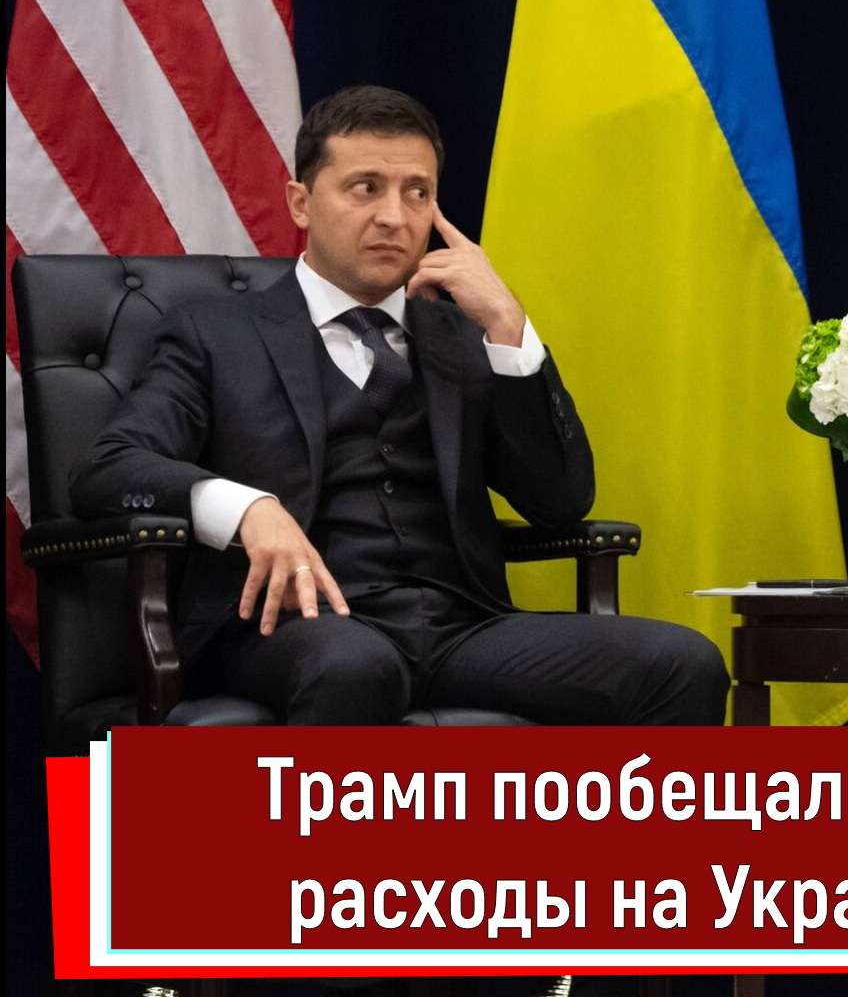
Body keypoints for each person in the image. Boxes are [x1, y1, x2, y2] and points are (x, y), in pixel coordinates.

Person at [73, 85, 729, 726]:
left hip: (463, 626)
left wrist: (510, 327)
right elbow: (108, 467)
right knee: (355, 666)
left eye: (418, 193)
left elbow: (561, 502)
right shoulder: (217, 333)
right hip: (294, 626)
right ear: (301, 203)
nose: (395, 216)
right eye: (366, 188)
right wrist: (246, 508)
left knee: (683, 662)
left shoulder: (465, 338)